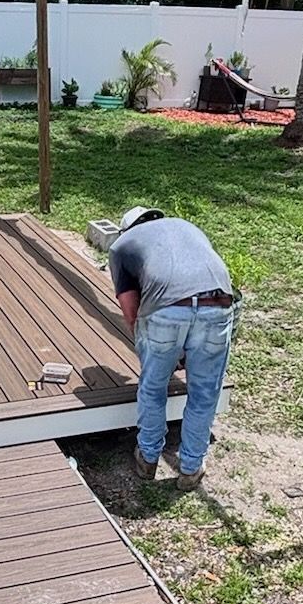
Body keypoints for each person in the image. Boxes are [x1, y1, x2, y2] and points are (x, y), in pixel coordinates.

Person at [107, 206, 239, 489]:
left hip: (167, 311)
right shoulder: (186, 226)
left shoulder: (121, 246)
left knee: (153, 386)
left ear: (127, 229)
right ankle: (191, 468)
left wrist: (162, 352)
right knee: (204, 393)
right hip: (219, 305)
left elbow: (131, 312)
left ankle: (148, 457)